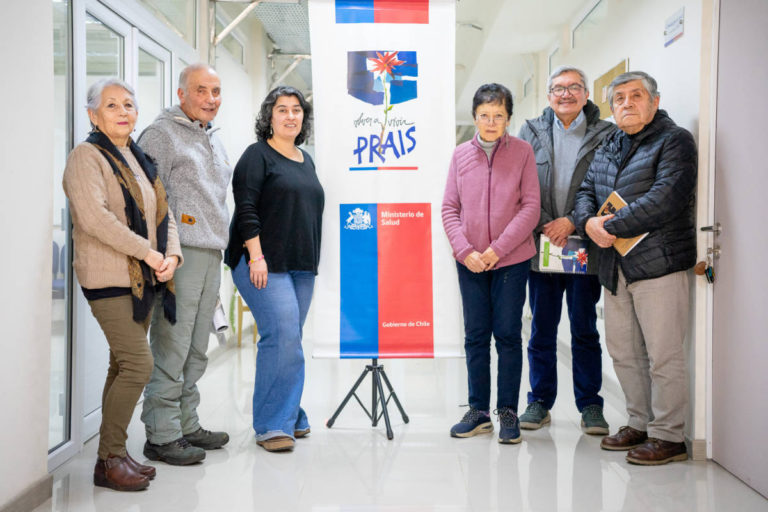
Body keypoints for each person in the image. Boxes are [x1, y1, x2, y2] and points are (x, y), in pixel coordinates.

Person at [63, 78, 182, 491]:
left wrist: (171, 257)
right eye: (111, 105)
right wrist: (148, 254)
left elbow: (163, 213)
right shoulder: (86, 156)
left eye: (129, 104)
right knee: (138, 364)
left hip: (142, 278)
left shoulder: (139, 157)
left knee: (121, 364)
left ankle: (113, 456)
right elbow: (95, 219)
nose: (122, 112)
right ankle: (109, 459)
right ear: (93, 115)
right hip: (108, 277)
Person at [573, 71, 697, 465]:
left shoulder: (675, 140)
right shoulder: (609, 144)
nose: (627, 103)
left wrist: (607, 226)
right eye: (619, 98)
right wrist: (587, 222)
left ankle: (669, 435)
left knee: (664, 354)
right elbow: (586, 191)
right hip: (614, 266)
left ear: (654, 102)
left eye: (636, 95)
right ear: (612, 107)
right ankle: (638, 423)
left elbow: (666, 198)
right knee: (623, 352)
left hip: (658, 263)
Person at [138, 63, 232, 465]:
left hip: (211, 253)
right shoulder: (161, 134)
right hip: (181, 254)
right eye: (201, 90)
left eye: (216, 91)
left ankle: (186, 423)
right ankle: (162, 434)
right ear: (181, 94)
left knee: (197, 348)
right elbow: (145, 197)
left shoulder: (213, 138)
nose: (210, 99)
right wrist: (161, 252)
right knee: (172, 345)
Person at [517, 66, 617, 434]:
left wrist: (572, 221)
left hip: (584, 247)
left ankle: (590, 405)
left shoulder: (606, 133)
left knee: (584, 330)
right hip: (542, 245)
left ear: (586, 94)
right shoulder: (530, 131)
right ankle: (539, 402)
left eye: (574, 87)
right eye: (558, 88)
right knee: (541, 330)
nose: (566, 94)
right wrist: (548, 222)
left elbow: (609, 185)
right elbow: (520, 184)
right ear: (548, 96)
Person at [225, 86, 324, 452]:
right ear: (269, 117)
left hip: (299, 265)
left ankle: (290, 413)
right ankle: (271, 425)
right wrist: (256, 255)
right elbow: (246, 207)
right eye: (282, 109)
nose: (290, 116)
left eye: (297, 110)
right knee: (281, 336)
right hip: (261, 262)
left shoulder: (305, 159)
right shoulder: (257, 155)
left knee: (290, 339)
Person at [442, 83, 540, 444]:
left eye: (499, 115)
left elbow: (531, 207)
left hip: (511, 261)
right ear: (474, 117)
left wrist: (497, 250)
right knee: (476, 336)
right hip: (469, 262)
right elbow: (449, 208)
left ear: (508, 119)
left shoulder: (523, 152)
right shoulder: (460, 155)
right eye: (484, 115)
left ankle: (508, 412)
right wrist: (465, 251)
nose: (491, 121)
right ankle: (478, 412)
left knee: (509, 335)